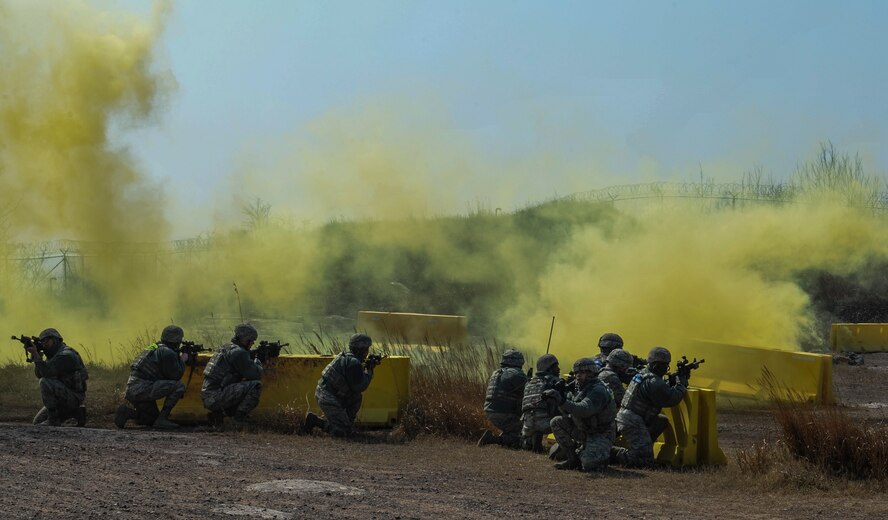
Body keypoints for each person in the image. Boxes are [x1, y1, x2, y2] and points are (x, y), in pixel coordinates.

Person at [611, 346, 689, 467]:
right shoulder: (654, 381)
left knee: (661, 420)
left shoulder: (643, 373)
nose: (665, 368)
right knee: (643, 462)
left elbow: (659, 389)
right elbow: (671, 399)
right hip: (633, 420)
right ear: (655, 365)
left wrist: (672, 381)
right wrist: (681, 384)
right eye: (663, 365)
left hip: (629, 417)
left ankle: (643, 446)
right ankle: (609, 452)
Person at [303, 333, 381, 437]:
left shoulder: (348, 358)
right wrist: (370, 370)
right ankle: (316, 421)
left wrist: (366, 367)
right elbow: (360, 387)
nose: (367, 353)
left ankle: (344, 423)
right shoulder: (354, 363)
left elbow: (353, 384)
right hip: (327, 395)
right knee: (343, 433)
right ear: (360, 350)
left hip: (327, 392)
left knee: (356, 397)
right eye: (366, 350)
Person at [546, 357, 616, 471]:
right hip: (583, 429)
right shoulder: (578, 388)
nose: (578, 375)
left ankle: (609, 452)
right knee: (556, 422)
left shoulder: (598, 390)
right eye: (576, 372)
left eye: (582, 372)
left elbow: (584, 410)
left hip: (601, 433)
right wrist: (559, 398)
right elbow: (566, 411)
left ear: (591, 373)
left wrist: (562, 401)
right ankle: (572, 460)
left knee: (589, 464)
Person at [115, 325, 189, 430]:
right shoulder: (168, 353)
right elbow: (175, 376)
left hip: (132, 389)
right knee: (179, 386)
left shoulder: (154, 346)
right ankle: (163, 419)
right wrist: (182, 360)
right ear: (177, 340)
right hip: (142, 388)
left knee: (151, 420)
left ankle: (127, 413)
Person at [201, 323, 263, 429]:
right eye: (251, 340)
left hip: (208, 396)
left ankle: (219, 416)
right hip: (216, 397)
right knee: (256, 385)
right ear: (245, 339)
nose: (253, 342)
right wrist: (258, 361)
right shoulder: (239, 353)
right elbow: (255, 374)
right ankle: (238, 421)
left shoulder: (226, 348)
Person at [27, 328, 88, 427]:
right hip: (62, 399)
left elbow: (46, 374)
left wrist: (36, 355)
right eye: (42, 342)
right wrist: (37, 357)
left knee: (44, 382)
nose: (44, 345)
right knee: (38, 422)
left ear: (55, 340)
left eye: (46, 341)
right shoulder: (53, 356)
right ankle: (76, 413)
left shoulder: (66, 355)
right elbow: (39, 374)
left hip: (73, 397)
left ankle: (54, 419)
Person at [477, 349, 527, 449]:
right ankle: (492, 439)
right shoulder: (517, 373)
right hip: (504, 413)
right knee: (524, 435)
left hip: (490, 411)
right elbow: (527, 391)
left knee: (512, 429)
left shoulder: (496, 373)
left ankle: (506, 436)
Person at [520, 354, 562, 453]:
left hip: (528, 426)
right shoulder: (555, 381)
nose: (559, 369)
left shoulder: (529, 382)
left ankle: (533, 441)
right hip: (547, 424)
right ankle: (561, 446)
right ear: (549, 368)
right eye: (556, 366)